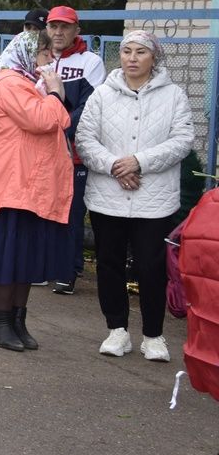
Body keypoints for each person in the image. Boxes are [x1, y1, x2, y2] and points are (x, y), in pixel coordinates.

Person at [75, 31, 194, 362]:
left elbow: (183, 139)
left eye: (140, 52)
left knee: (151, 266)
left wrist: (139, 162)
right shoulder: (102, 95)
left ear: (153, 57)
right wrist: (116, 165)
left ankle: (154, 336)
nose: (132, 58)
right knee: (109, 263)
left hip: (153, 199)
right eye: (126, 51)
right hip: (108, 196)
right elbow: (85, 140)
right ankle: (117, 330)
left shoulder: (174, 96)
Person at [0, 30, 71, 351]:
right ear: (26, 53)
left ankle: (17, 319)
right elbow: (42, 120)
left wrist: (50, 96)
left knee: (26, 257)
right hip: (9, 186)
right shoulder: (8, 83)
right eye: (44, 53)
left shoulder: (27, 84)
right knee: (9, 258)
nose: (50, 60)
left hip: (29, 186)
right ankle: (0, 321)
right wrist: (56, 94)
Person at [46, 6, 105, 294]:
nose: (58, 32)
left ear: (76, 31)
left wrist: (59, 126)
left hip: (74, 152)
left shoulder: (90, 62)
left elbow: (89, 107)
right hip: (42, 150)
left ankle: (67, 271)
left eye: (65, 27)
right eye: (53, 26)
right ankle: (44, 265)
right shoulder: (39, 59)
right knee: (42, 208)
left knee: (71, 211)